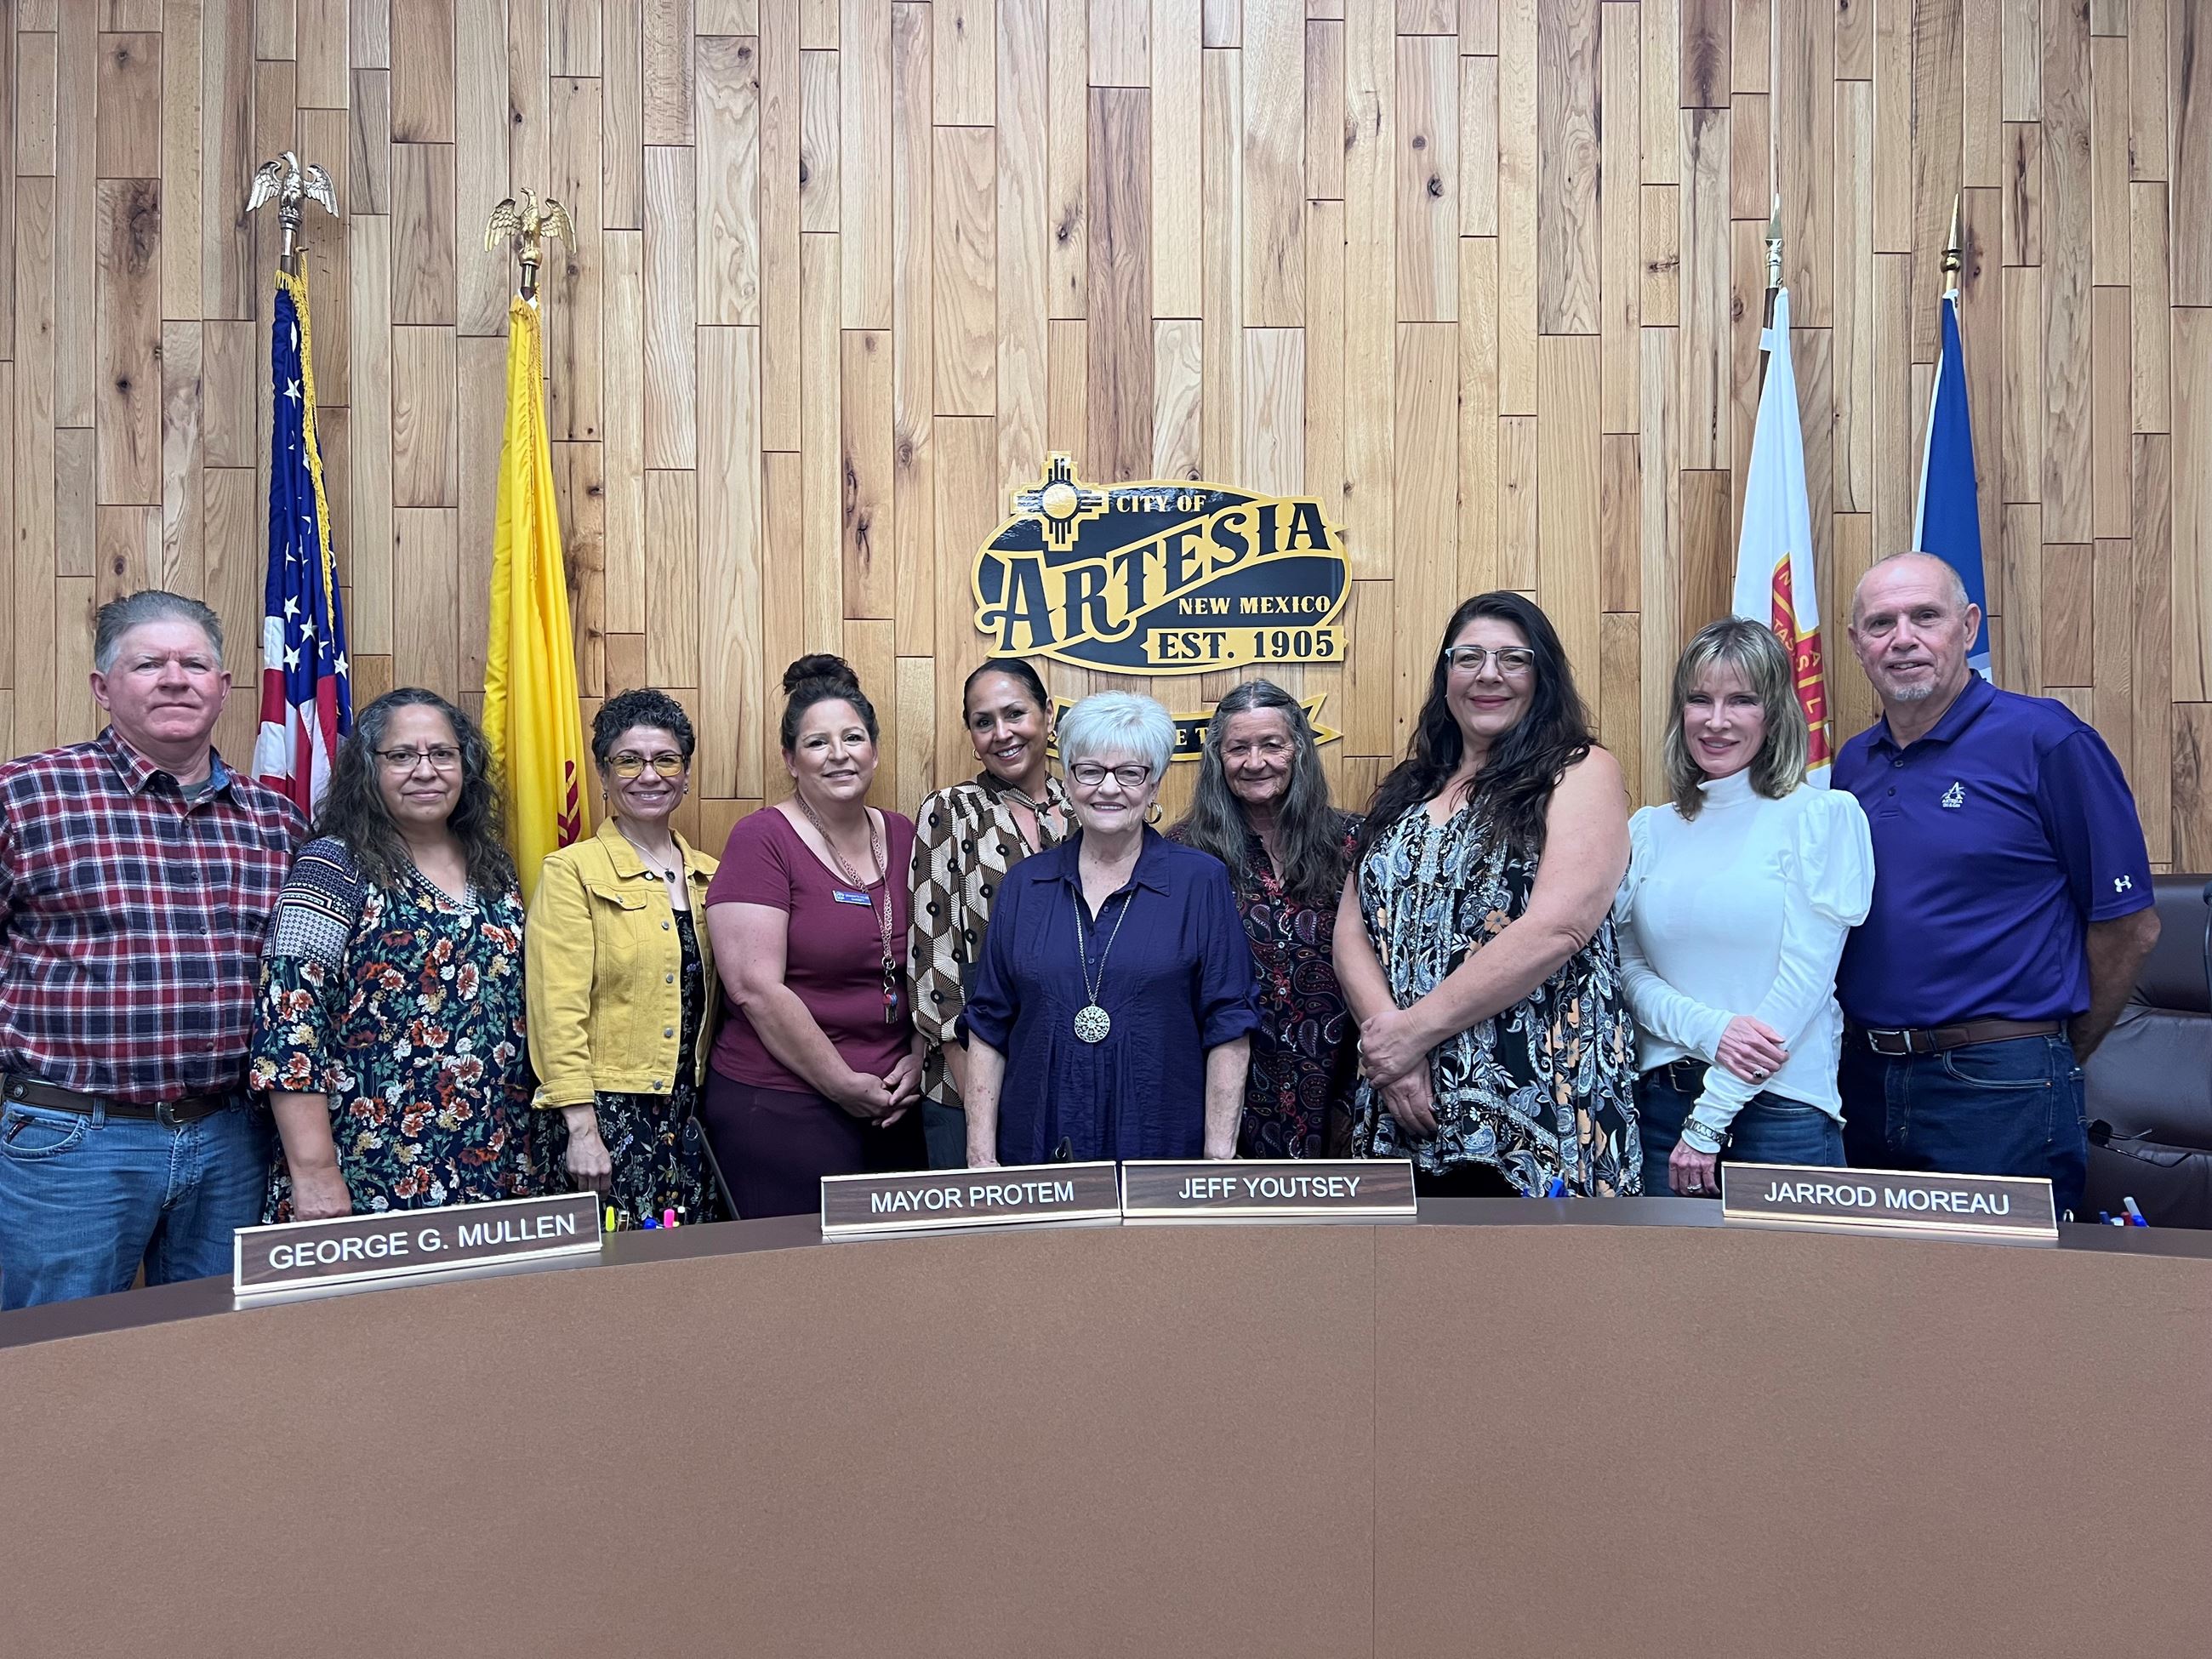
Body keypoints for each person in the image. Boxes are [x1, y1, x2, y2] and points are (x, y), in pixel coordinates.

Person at [0, 592, 306, 1308]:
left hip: (233, 1139)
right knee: (57, 1358)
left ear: (222, 688)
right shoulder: (26, 797)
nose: (176, 678)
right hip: (70, 1142)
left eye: (195, 663)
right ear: (103, 688)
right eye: (149, 663)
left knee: (215, 1365)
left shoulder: (276, 821)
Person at [1834, 552, 2158, 1218]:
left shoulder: (2047, 740)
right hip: (1864, 1079)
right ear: (1857, 645)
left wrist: (2050, 1054)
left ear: (1969, 627)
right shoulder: (1852, 764)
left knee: (2003, 1310)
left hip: (2000, 1087)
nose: (1903, 639)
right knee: (1878, 1302)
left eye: (1926, 616)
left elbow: (2130, 924)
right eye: (1881, 623)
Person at [1336, 592, 1640, 1197]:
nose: (1489, 675)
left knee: (1534, 1290)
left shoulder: (1579, 771)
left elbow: (1561, 927)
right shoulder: (1411, 786)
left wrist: (1413, 1033)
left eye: (1513, 659)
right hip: (1406, 1102)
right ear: (1446, 676)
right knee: (1408, 1289)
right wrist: (1391, 1049)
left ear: (1542, 674)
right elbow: (1352, 929)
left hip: (1539, 1106)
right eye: (1469, 657)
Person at [249, 688, 544, 1220]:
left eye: (443, 754)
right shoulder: (331, 866)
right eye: (402, 756)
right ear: (368, 769)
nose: (425, 771)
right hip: (370, 1167)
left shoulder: (493, 867)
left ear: (466, 766)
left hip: (495, 1159)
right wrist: (314, 1172)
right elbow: (288, 1021)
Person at [1615, 619, 1875, 1197]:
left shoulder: (1822, 817)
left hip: (1781, 1112)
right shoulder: (1649, 830)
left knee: (1792, 1291)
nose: (1716, 720)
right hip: (1662, 1109)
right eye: (1699, 699)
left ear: (1775, 713)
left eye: (1741, 701)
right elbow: (1628, 970)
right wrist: (1713, 1031)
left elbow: (1803, 986)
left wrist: (1710, 1120)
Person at [962, 693, 1259, 1166]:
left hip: (1161, 1145)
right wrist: (980, 1158)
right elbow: (988, 1025)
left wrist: (1218, 1159)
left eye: (1129, 773)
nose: (1108, 788)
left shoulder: (1200, 881)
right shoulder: (1025, 885)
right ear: (1068, 778)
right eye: (1090, 770)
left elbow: (1229, 1025)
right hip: (1038, 1143)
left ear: (1155, 784)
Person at [704, 656, 926, 1216]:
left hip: (897, 1104)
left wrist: (922, 1056)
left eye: (853, 738)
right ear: (790, 760)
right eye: (817, 743)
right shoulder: (762, 839)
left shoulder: (904, 833)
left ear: (874, 749)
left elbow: (934, 960)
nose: (839, 754)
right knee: (796, 1290)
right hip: (783, 1105)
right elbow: (754, 988)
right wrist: (842, 1084)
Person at [527, 689, 724, 1228]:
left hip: (692, 1114)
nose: (649, 775)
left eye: (666, 760)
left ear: (684, 774)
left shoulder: (711, 876)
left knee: (688, 1277)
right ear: (603, 774)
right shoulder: (572, 872)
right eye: (629, 761)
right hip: (606, 1117)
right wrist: (582, 1130)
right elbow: (555, 1009)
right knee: (613, 1282)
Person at [1170, 679, 1361, 1159]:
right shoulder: (1182, 852)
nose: (1254, 762)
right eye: (1238, 748)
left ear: (1299, 749)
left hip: (1342, 1085)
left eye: (1271, 745)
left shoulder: (1355, 842)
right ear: (1218, 759)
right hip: (1227, 1088)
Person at [908, 658, 1074, 1168]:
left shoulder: (1085, 806)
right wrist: (983, 1105)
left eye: (1015, 714)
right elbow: (933, 970)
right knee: (975, 1244)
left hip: (1067, 1077)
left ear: (1048, 715)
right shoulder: (950, 810)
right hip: (964, 1088)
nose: (1002, 734)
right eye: (984, 722)